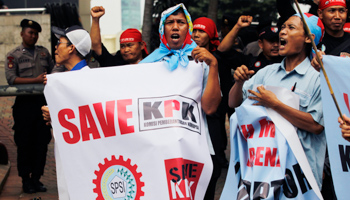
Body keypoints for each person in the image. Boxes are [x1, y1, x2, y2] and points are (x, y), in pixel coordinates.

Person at [228, 13, 326, 188]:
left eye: (291, 28)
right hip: (265, 172)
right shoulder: (267, 72)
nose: (283, 32)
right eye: (283, 27)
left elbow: (316, 126)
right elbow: (233, 103)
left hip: (300, 180)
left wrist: (275, 104)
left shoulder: (319, 79)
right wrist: (238, 82)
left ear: (308, 38)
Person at [140, 5, 221, 199]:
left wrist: (214, 66)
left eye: (181, 22)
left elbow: (210, 108)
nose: (175, 27)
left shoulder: (202, 60)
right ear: (162, 29)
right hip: (159, 150)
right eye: (170, 23)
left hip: (196, 149)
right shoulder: (148, 65)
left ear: (188, 28)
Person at [5, 19, 54, 194]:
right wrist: (36, 80)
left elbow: (53, 73)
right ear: (22, 33)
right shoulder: (14, 55)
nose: (33, 36)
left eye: (35, 33)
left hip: (42, 104)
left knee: (41, 142)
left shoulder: (44, 53)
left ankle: (37, 179)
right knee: (24, 143)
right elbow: (11, 79)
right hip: (24, 106)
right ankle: (26, 180)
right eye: (30, 32)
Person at [191, 16, 226, 199]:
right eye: (194, 30)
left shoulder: (216, 59)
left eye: (201, 31)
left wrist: (212, 64)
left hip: (209, 133)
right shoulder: (169, 59)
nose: (196, 34)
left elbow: (211, 107)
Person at [42, 25, 92, 123]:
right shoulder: (67, 78)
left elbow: (90, 116)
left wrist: (57, 115)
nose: (56, 47)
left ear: (71, 48)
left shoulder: (87, 79)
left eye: (59, 42)